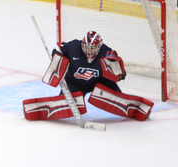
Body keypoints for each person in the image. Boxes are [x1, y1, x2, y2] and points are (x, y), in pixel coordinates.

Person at [23, 31, 153, 121]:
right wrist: (56, 57)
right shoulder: (73, 46)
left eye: (92, 48)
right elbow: (58, 51)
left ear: (99, 46)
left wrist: (119, 72)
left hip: (100, 83)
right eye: (86, 47)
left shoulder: (107, 52)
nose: (89, 50)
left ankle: (137, 110)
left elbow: (120, 75)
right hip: (74, 83)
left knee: (119, 99)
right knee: (64, 104)